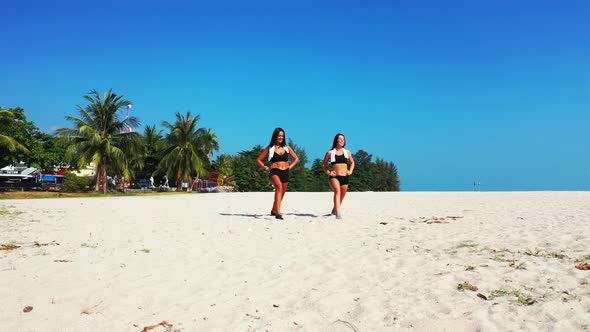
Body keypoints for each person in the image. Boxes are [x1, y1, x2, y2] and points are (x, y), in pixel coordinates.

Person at [256, 127, 299, 220]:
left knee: (282, 192)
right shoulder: (270, 148)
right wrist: (266, 167)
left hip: (285, 172)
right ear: (275, 136)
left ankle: (274, 210)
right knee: (279, 187)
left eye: (282, 136)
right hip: (275, 171)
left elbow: (296, 159)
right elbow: (258, 159)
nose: (281, 137)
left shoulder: (286, 147)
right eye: (279, 135)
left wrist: (289, 167)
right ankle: (278, 213)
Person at [322, 133, 355, 219]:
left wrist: (350, 171)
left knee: (342, 195)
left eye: (343, 139)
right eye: (340, 139)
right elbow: (324, 165)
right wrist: (329, 172)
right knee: (337, 192)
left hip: (345, 176)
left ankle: (334, 210)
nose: (341, 141)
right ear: (336, 140)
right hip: (334, 177)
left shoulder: (347, 152)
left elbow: (352, 163)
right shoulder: (330, 153)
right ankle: (338, 214)